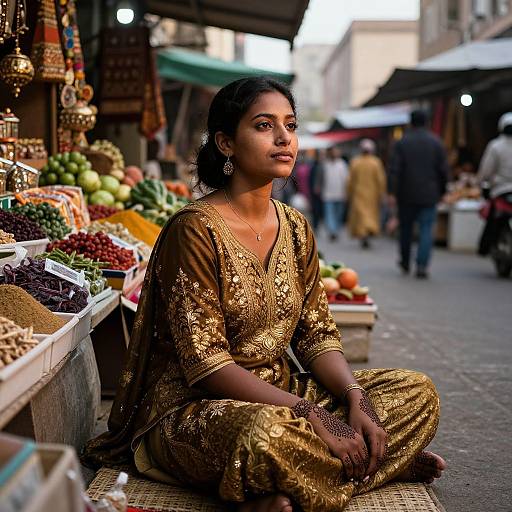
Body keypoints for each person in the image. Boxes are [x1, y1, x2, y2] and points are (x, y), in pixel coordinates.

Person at [83, 78, 445, 512]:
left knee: (417, 393)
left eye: (290, 126)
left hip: (282, 392)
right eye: (263, 125)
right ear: (226, 143)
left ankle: (307, 478)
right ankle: (370, 464)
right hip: (197, 409)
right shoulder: (194, 230)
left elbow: (316, 336)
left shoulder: (295, 227)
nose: (283, 138)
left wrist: (354, 398)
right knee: (266, 435)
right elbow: (207, 366)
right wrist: (315, 416)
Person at [388, 109, 448, 279]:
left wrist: (392, 191)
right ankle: (422, 265)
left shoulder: (402, 143)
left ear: (410, 122)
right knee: (426, 229)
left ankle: (405, 261)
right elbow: (443, 170)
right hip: (429, 194)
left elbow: (394, 170)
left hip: (406, 194)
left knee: (405, 229)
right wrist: (443, 191)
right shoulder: (436, 143)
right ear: (427, 122)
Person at [477, 112, 512, 255]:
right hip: (502, 192)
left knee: (492, 222)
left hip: (501, 190)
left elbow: (486, 171)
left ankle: (484, 248)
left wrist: (482, 183)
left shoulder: (496, 146)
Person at [347, 139, 387, 249]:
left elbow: (350, 180)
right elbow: (381, 180)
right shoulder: (376, 162)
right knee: (370, 215)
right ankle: (367, 233)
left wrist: (349, 192)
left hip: (358, 194)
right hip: (372, 195)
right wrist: (382, 193)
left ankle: (364, 235)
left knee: (361, 217)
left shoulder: (355, 162)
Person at [316, 146, 349, 241]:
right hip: (327, 194)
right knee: (329, 214)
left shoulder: (342, 164)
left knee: (339, 214)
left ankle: (336, 230)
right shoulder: (325, 164)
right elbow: (320, 177)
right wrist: (318, 187)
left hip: (340, 194)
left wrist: (346, 192)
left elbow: (346, 180)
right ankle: (332, 231)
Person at [308, 149, 325, 230]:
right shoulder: (315, 165)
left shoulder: (321, 165)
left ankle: (316, 224)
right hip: (316, 191)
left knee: (317, 208)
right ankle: (315, 224)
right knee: (316, 208)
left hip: (321, 190)